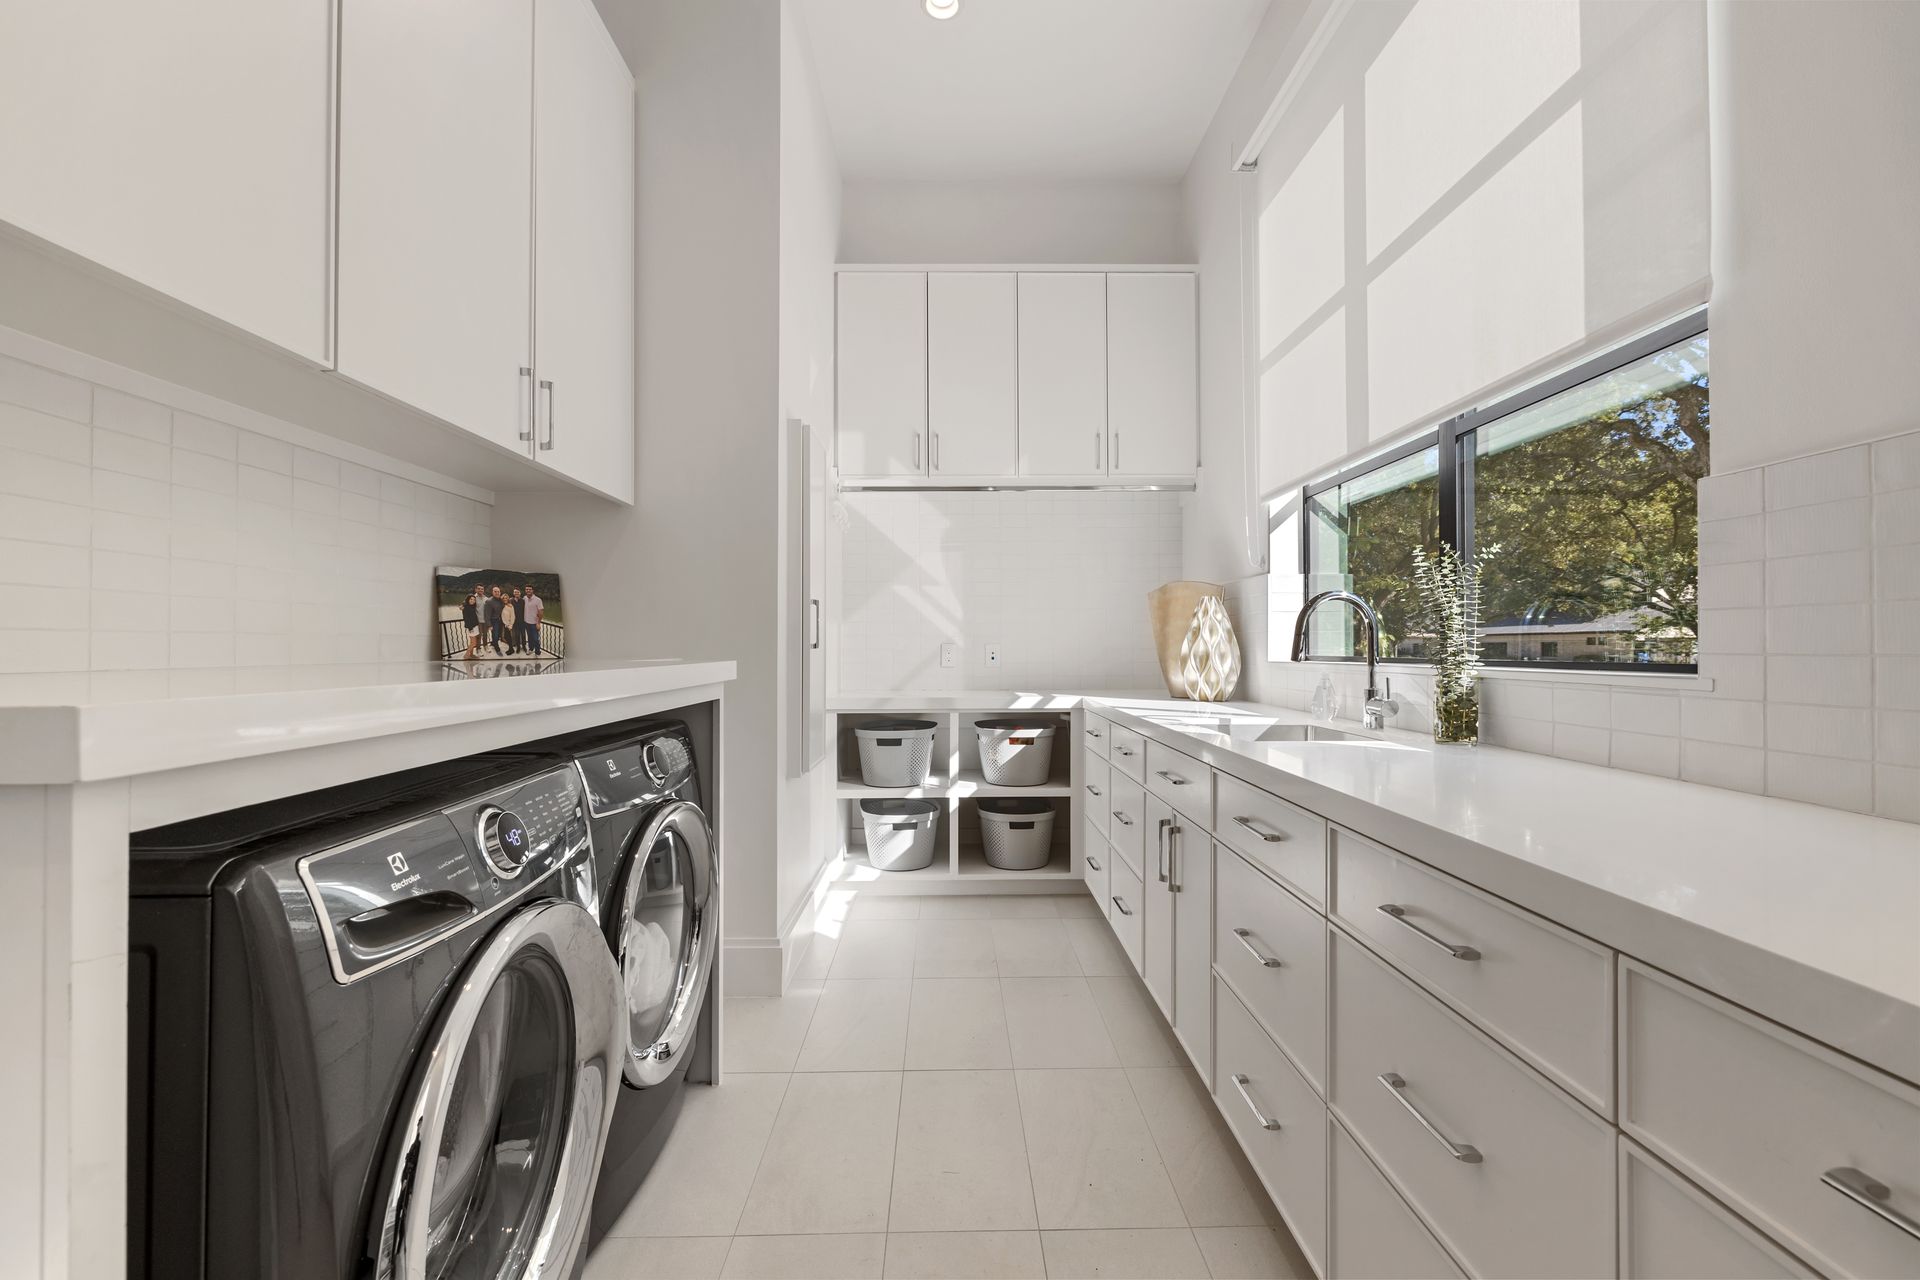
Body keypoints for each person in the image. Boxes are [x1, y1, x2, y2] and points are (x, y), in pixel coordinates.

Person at [521, 583, 544, 656]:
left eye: (530, 589)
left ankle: (537, 652)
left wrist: (538, 623)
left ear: (532, 590)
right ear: (525, 590)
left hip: (534, 623)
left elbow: (541, 612)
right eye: (527, 589)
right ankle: (531, 649)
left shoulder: (538, 600)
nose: (528, 590)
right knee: (530, 638)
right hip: (526, 622)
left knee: (536, 639)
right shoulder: (524, 598)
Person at [485, 587, 506, 656]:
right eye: (495, 591)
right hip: (493, 621)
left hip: (500, 620)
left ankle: (493, 642)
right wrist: (489, 625)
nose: (497, 593)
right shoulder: (489, 601)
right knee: (495, 635)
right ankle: (497, 648)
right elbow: (487, 614)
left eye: (498, 591)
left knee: (499, 634)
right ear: (492, 592)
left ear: (500, 592)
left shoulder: (500, 600)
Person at [460, 591, 480, 660]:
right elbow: (466, 619)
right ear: (468, 599)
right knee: (474, 643)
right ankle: (466, 655)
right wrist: (470, 628)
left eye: (474, 599)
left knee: (472, 642)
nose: (473, 601)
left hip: (475, 626)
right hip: (471, 627)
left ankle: (471, 654)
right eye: (471, 599)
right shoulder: (466, 607)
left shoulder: (471, 606)